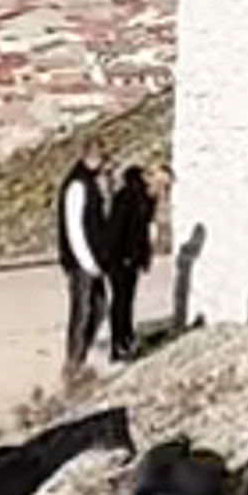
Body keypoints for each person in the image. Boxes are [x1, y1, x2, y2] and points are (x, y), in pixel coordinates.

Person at [54, 151, 116, 374]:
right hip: (81, 261)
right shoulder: (77, 186)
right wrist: (87, 262)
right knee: (82, 311)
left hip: (94, 260)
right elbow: (75, 228)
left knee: (99, 308)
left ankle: (80, 356)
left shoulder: (92, 184)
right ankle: (73, 362)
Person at [98, 160, 161, 364]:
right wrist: (135, 257)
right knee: (123, 301)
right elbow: (131, 231)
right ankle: (122, 341)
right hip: (125, 259)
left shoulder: (130, 198)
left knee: (121, 301)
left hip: (121, 259)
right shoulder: (136, 199)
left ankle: (122, 340)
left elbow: (121, 230)